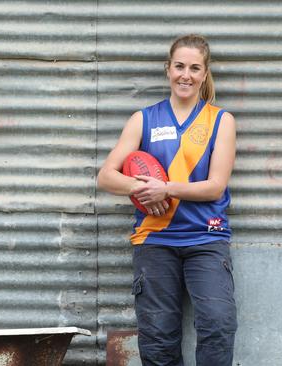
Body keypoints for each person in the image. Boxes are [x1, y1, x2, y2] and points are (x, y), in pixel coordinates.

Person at [97, 34, 237, 366]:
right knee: (158, 337)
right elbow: (105, 177)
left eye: (194, 68)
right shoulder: (143, 119)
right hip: (155, 240)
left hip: (206, 238)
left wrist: (166, 189)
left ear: (204, 74)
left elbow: (215, 187)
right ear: (167, 69)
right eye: (179, 66)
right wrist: (140, 188)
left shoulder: (220, 120)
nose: (185, 75)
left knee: (218, 324)